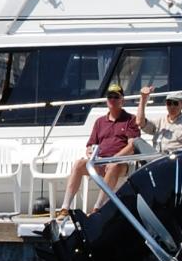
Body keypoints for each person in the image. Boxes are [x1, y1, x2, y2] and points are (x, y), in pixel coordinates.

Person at [58, 84, 140, 212]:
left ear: (122, 100)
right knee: (79, 164)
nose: (112, 100)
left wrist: (114, 159)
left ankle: (98, 207)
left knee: (113, 166)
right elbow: (90, 145)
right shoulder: (99, 121)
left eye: (116, 97)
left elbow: (132, 145)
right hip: (99, 161)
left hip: (120, 163)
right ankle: (65, 207)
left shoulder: (130, 119)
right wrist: (91, 154)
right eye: (110, 97)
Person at [136, 86, 182, 154]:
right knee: (136, 141)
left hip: (178, 159)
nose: (172, 106)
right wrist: (143, 98)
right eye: (169, 103)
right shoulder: (159, 121)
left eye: (175, 103)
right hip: (158, 159)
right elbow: (140, 122)